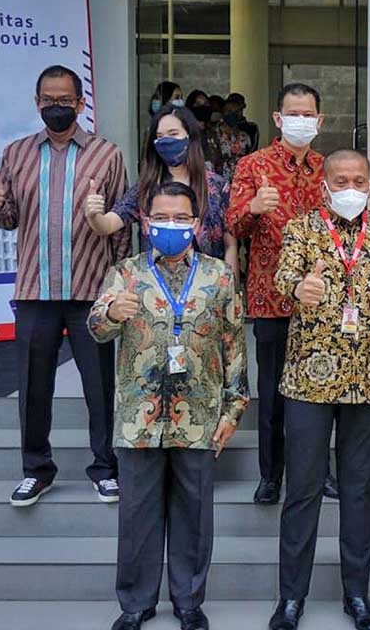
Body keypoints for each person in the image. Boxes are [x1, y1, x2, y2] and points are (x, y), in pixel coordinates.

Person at [88, 181, 248, 630]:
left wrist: (233, 411)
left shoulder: (219, 276)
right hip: (138, 419)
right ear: (145, 221)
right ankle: (136, 604)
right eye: (161, 217)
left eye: (181, 218)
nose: (171, 226)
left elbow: (235, 345)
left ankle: (189, 602)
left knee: (194, 514)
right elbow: (96, 329)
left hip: (199, 416)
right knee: (137, 515)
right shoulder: (126, 272)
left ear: (197, 224)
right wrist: (109, 314)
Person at [269, 149, 370, 630]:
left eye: (359, 179)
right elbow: (283, 273)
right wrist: (297, 288)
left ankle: (358, 596)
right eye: (341, 179)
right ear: (324, 184)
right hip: (307, 382)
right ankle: (291, 598)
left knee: (359, 492)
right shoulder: (302, 228)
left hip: (368, 382)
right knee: (304, 491)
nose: (350, 187)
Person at [0, 64, 130, 506]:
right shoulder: (16, 154)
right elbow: (8, 219)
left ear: (81, 103)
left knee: (100, 385)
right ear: (36, 103)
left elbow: (121, 224)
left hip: (90, 290)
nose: (56, 108)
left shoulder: (107, 154)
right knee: (33, 386)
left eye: (64, 101)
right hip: (34, 290)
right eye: (48, 101)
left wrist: (119, 283)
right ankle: (36, 469)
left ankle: (105, 468)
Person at [227, 82, 334, 504]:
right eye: (294, 112)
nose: (301, 120)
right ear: (277, 117)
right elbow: (232, 226)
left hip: (320, 300)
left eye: (309, 114)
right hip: (270, 297)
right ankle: (271, 476)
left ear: (320, 120)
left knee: (321, 389)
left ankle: (319, 473)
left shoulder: (328, 168)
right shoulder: (253, 166)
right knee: (271, 394)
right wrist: (253, 209)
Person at [84, 105, 238, 276]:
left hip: (208, 285)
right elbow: (108, 225)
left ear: (190, 136)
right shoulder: (146, 187)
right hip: (155, 287)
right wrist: (94, 215)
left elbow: (230, 243)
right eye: (159, 137)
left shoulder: (217, 186)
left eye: (173, 134)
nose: (166, 141)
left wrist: (232, 287)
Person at [206, 93, 255, 181]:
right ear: (223, 113)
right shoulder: (213, 134)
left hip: (240, 181)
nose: (232, 114)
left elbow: (249, 160)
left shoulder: (245, 137)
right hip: (219, 181)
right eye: (228, 111)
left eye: (235, 112)